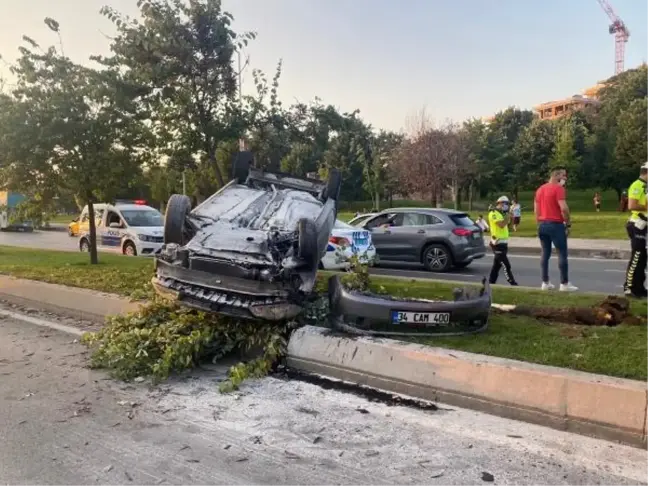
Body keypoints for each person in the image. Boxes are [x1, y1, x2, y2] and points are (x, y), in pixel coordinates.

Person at [534, 167, 578, 292]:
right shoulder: (558, 189)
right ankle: (564, 283)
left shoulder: (540, 189)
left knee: (545, 253)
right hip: (556, 224)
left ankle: (545, 282)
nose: (565, 178)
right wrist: (568, 223)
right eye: (564, 175)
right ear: (557, 175)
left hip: (542, 224)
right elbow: (563, 208)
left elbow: (536, 209)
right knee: (562, 253)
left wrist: (538, 223)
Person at [623, 162, 648, 298]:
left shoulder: (645, 187)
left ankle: (639, 287)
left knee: (643, 258)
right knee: (637, 256)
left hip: (644, 225)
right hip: (636, 224)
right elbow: (632, 205)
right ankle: (629, 286)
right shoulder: (637, 185)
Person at [487, 196, 518, 286]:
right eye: (506, 204)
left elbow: (508, 227)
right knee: (506, 265)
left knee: (496, 266)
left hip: (503, 243)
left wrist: (511, 217)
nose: (507, 206)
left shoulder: (502, 214)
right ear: (500, 203)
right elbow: (501, 224)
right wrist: (507, 217)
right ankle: (513, 283)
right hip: (497, 243)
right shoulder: (494, 213)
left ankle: (491, 283)